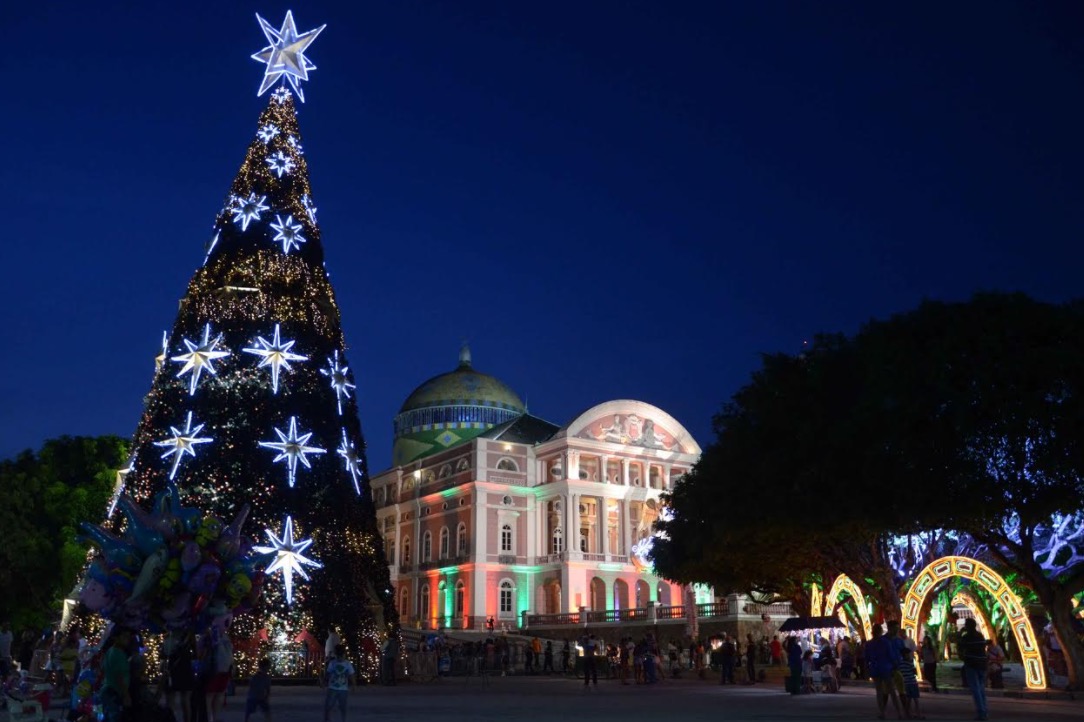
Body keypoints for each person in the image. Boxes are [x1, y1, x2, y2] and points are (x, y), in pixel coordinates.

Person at [864, 624, 904, 721]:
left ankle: (882, 713)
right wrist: (896, 665)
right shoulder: (885, 642)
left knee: (879, 692)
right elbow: (891, 655)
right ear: (881, 631)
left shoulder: (869, 644)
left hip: (875, 668)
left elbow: (866, 659)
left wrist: (867, 670)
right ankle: (899, 713)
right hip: (886, 668)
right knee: (892, 691)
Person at [100, 628, 134, 722]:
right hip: (113, 692)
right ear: (116, 638)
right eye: (124, 636)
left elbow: (103, 668)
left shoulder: (111, 651)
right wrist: (126, 695)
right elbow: (119, 676)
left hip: (108, 690)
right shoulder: (118, 654)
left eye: (128, 637)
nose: (127, 639)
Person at [958, 618, 988, 720]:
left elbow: (960, 649)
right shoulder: (980, 636)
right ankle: (984, 710)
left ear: (968, 626)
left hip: (971, 664)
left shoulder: (966, 637)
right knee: (981, 688)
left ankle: (981, 712)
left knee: (975, 689)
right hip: (982, 664)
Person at [164, 630, 196, 722]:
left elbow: (165, 651)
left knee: (170, 698)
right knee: (185, 699)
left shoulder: (169, 630)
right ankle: (187, 720)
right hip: (185, 664)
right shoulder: (189, 631)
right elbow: (195, 651)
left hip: (172, 664)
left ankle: (170, 719)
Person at [206, 623, 233, 722]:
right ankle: (215, 717)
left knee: (210, 695)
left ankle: (210, 718)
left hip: (215, 668)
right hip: (225, 668)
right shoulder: (225, 636)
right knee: (219, 694)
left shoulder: (213, 633)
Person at [323, 645, 354, 722]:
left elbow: (351, 675)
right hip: (333, 687)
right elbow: (328, 674)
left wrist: (353, 684)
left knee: (342, 706)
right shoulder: (333, 663)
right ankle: (328, 719)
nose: (340, 658)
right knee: (329, 705)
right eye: (339, 656)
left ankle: (343, 719)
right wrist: (324, 681)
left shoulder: (347, 664)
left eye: (341, 656)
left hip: (342, 688)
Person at [899, 643, 923, 719]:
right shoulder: (909, 663)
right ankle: (918, 714)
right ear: (905, 655)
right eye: (908, 654)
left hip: (905, 683)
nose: (910, 656)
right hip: (912, 682)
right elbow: (914, 672)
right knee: (915, 699)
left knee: (908, 699)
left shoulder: (900, 663)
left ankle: (907, 714)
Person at [244, 658, 272, 722]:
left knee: (250, 710)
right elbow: (267, 689)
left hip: (255, 696)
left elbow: (252, 686)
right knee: (265, 710)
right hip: (257, 696)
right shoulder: (265, 677)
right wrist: (267, 696)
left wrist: (266, 696)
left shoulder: (256, 677)